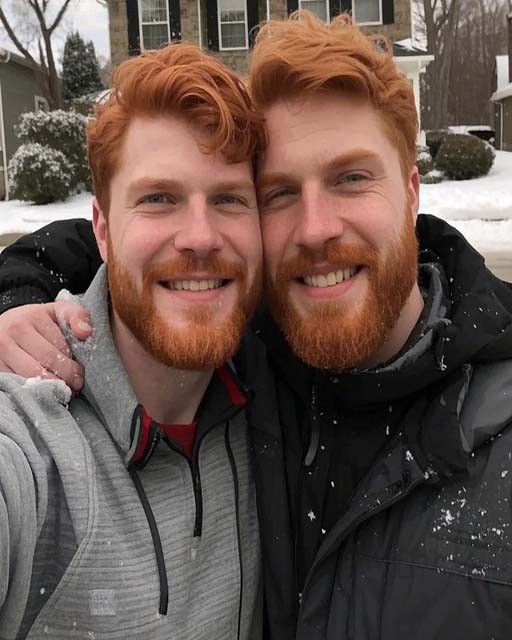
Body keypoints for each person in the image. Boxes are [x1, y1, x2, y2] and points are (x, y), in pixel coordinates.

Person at [2, 12, 512, 640]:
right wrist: (17, 293)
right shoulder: (252, 364)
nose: (316, 228)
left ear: (411, 193)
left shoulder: (257, 367)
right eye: (279, 193)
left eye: (352, 178)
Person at [0, 42, 271, 639]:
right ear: (101, 230)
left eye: (228, 198)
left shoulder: (277, 397)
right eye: (158, 199)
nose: (200, 237)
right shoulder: (32, 439)